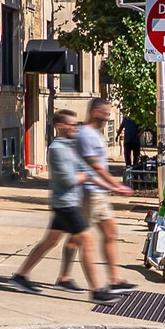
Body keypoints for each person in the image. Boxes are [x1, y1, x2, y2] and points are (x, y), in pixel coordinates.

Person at [11, 109, 117, 302]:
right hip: (66, 205)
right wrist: (83, 176)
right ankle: (97, 290)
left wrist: (112, 186)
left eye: (76, 124)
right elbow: (68, 180)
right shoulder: (57, 149)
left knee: (50, 241)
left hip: (68, 203)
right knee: (88, 242)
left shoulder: (71, 146)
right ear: (60, 126)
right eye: (71, 124)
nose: (75, 128)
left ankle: (20, 275)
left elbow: (87, 171)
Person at [57, 97, 133, 292]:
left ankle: (115, 280)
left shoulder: (95, 134)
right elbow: (96, 167)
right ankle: (67, 278)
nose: (108, 117)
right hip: (88, 193)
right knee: (79, 238)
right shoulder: (86, 135)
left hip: (98, 193)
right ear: (95, 112)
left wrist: (110, 187)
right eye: (105, 113)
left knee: (109, 233)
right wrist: (116, 186)